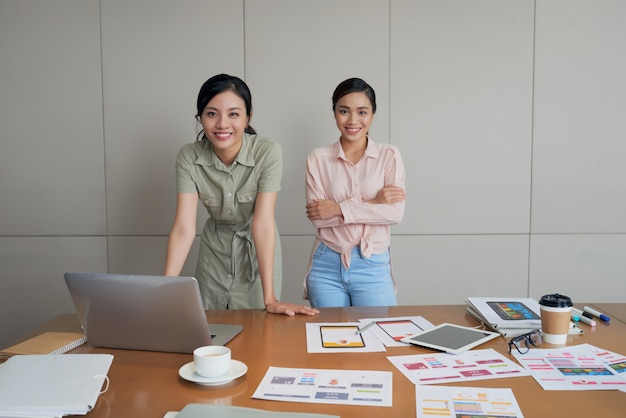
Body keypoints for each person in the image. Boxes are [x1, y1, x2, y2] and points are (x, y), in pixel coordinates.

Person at [165, 73, 318, 317]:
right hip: (213, 254)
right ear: (201, 118)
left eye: (233, 114)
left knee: (258, 336)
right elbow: (184, 227)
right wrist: (164, 289)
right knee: (209, 333)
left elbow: (263, 223)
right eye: (212, 113)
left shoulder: (267, 152)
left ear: (248, 118)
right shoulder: (188, 156)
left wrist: (270, 299)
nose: (222, 124)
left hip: (258, 255)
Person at [304, 77, 406, 307]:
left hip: (373, 265)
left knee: (380, 339)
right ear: (334, 113)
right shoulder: (318, 158)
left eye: (362, 112)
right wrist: (374, 201)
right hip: (326, 265)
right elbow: (319, 219)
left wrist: (338, 208)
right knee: (330, 339)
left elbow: (394, 214)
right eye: (344, 111)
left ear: (373, 115)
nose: (352, 120)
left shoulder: (389, 155)